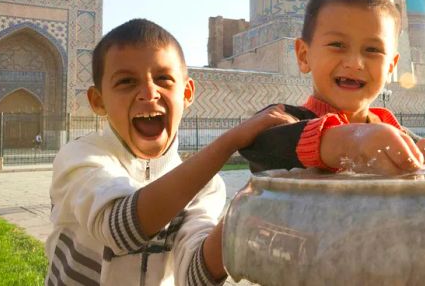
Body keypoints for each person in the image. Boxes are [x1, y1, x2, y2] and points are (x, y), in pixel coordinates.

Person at [46, 19, 296, 285]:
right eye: (127, 81)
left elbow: (194, 275)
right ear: (99, 101)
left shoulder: (206, 187)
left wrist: (256, 198)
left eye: (163, 79)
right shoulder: (81, 158)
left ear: (187, 93)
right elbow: (119, 229)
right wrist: (229, 141)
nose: (149, 93)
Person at [241, 0, 425, 175]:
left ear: (390, 67)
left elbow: (422, 160)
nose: (355, 63)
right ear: (303, 55)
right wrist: (350, 140)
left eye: (372, 50)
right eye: (337, 45)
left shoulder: (396, 135)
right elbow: (259, 144)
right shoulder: (284, 121)